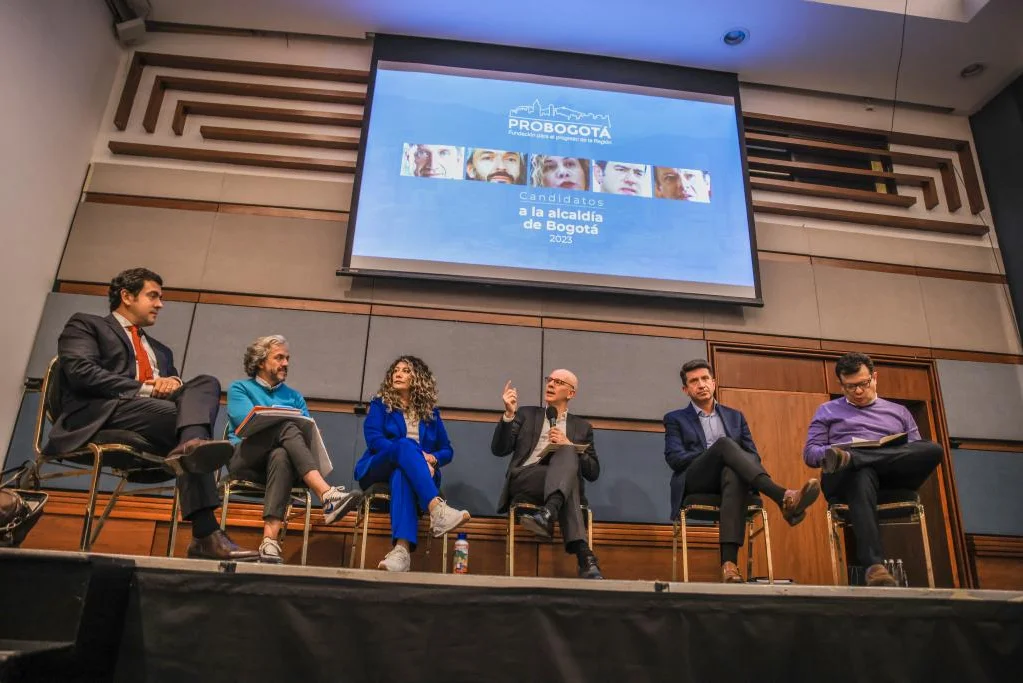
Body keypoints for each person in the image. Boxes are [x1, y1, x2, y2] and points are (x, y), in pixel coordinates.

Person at [43, 267, 257, 561]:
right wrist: (146, 387)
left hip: (152, 418)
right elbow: (82, 373)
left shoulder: (161, 351)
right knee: (187, 426)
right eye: (153, 296)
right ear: (127, 296)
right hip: (103, 412)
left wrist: (175, 383)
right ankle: (205, 533)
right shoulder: (86, 325)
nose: (160, 304)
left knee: (205, 384)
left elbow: (184, 398)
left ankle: (191, 447)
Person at [664, 359, 821, 583]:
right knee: (724, 445)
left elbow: (753, 456)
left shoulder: (735, 416)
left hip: (729, 481)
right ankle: (782, 496)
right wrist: (714, 454)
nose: (701, 384)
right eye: (694, 381)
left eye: (705, 378)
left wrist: (728, 459)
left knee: (732, 471)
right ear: (685, 389)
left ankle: (729, 565)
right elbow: (674, 458)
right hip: (697, 479)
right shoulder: (675, 419)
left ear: (714, 382)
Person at [803, 352, 944, 587]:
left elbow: (915, 451)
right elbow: (811, 454)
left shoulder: (899, 412)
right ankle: (874, 566)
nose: (858, 391)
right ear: (841, 385)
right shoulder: (827, 411)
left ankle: (855, 458)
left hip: (891, 477)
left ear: (874, 377)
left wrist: (856, 455)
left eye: (863, 384)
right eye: (850, 387)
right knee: (861, 473)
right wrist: (842, 449)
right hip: (845, 479)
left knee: (933, 449)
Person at [225, 335, 362, 563]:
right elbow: (244, 424)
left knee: (281, 454)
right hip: (246, 458)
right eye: (279, 358)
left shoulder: (294, 396)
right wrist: (280, 422)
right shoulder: (240, 388)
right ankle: (326, 494)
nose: (286, 363)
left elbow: (305, 434)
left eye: (287, 358)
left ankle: (269, 541)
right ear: (261, 361)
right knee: (286, 426)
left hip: (281, 468)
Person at [353, 356, 470, 572]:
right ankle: (436, 509)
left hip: (415, 472)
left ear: (419, 379)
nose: (398, 374)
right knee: (405, 445)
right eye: (396, 370)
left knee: (402, 473)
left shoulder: (431, 414)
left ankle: (401, 552)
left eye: (405, 371)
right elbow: (375, 440)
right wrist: (412, 454)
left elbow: (447, 450)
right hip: (379, 466)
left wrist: (431, 458)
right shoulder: (380, 405)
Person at [491, 370, 604, 579]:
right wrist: (508, 415)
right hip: (527, 478)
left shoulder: (582, 427)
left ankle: (549, 513)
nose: (551, 384)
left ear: (571, 393)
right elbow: (499, 449)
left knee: (567, 452)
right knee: (569, 477)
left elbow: (593, 472)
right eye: (549, 380)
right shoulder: (526, 414)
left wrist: (568, 443)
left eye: (558, 382)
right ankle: (584, 556)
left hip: (560, 483)